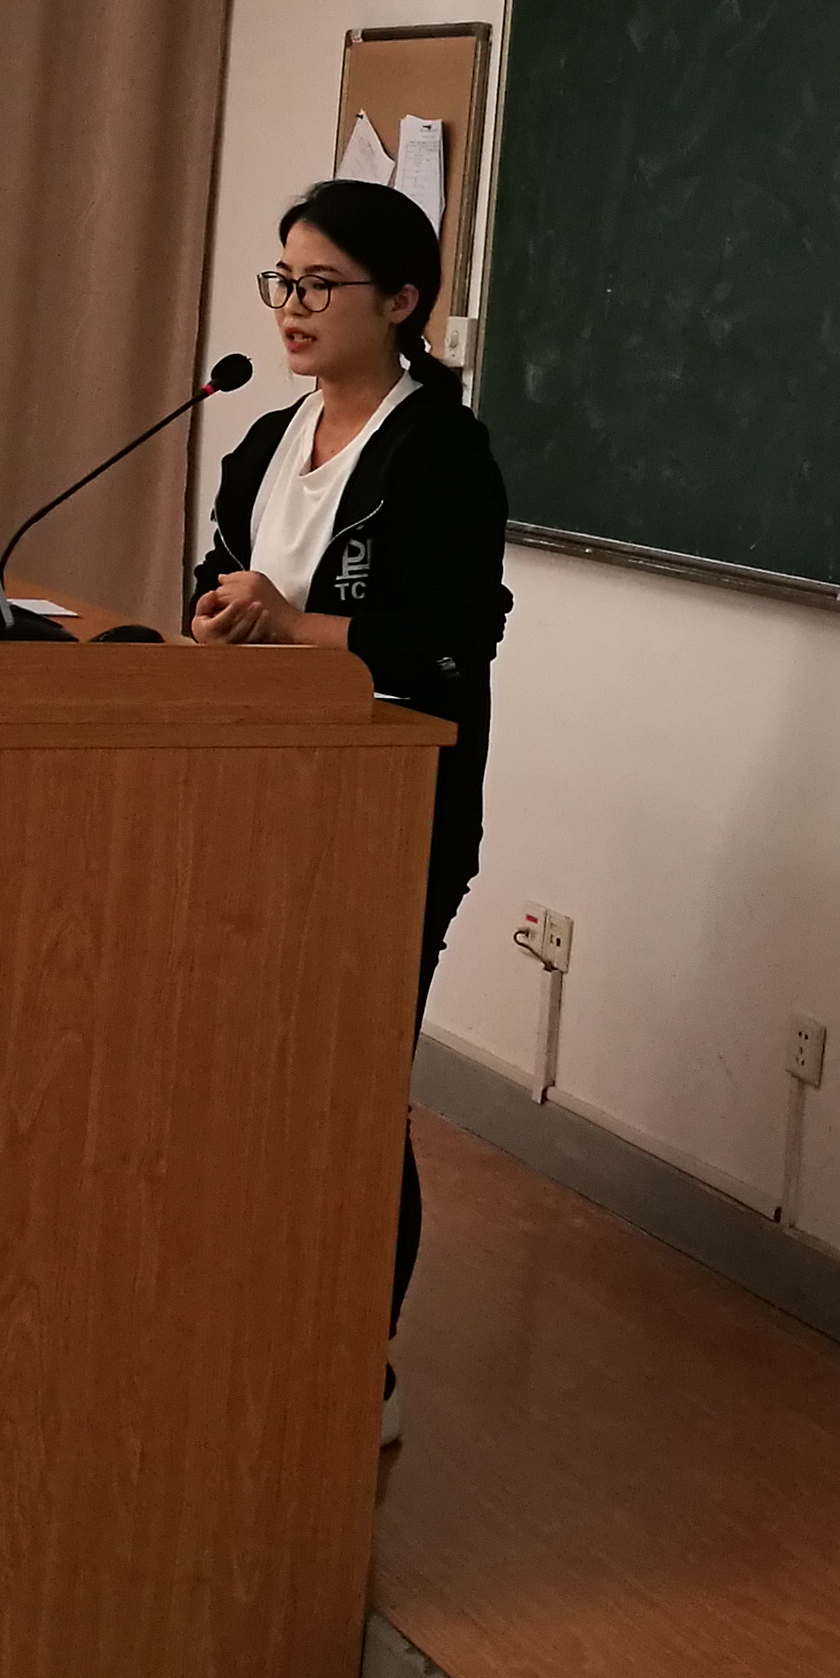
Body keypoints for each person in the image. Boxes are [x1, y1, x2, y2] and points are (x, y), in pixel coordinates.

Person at [192, 178, 509, 1446]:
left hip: (390, 808)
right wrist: (220, 612)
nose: (293, 306)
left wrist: (289, 624)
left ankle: (353, 1360)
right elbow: (219, 576)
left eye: (322, 284)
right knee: (247, 1072)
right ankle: (246, 1312)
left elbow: (447, 638)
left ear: (401, 301)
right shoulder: (264, 440)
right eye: (283, 280)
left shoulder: (441, 449)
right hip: (253, 794)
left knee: (352, 1079)